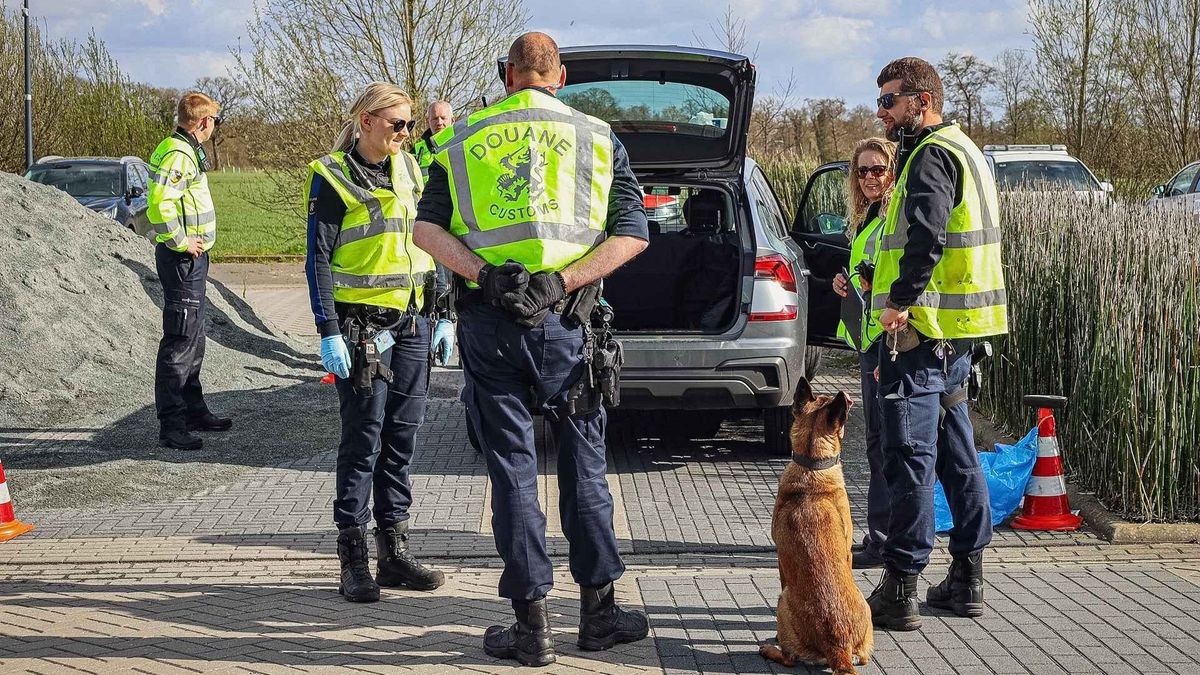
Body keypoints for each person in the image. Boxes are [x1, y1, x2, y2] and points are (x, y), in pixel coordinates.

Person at [413, 31, 650, 667]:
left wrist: (484, 275)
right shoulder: (599, 137)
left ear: (507, 74)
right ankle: (598, 613)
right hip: (569, 330)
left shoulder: (460, 139)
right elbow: (633, 236)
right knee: (585, 468)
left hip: (492, 329)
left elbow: (425, 229)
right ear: (561, 76)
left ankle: (532, 625)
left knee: (514, 474)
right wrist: (564, 280)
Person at [866, 57, 1008, 631]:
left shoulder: (929, 155)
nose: (882, 111)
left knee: (910, 458)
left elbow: (927, 234)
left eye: (890, 100)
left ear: (920, 101)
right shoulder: (969, 149)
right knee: (957, 453)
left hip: (921, 333)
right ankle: (967, 579)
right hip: (959, 335)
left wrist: (898, 302)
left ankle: (901, 586)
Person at [305, 82, 446, 603]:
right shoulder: (332, 176)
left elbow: (432, 239)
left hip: (412, 324)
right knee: (363, 442)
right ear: (366, 121)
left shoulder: (411, 169)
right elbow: (316, 259)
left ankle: (394, 551)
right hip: (360, 328)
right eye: (398, 124)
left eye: (411, 125)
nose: (407, 134)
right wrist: (327, 331)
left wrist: (444, 314)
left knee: (402, 439)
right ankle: (353, 557)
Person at [146, 92, 231, 451]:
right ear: (203, 122)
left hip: (192, 261)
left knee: (194, 336)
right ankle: (172, 424)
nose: (215, 127)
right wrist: (181, 241)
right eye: (215, 121)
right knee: (180, 339)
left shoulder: (181, 147)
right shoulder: (179, 153)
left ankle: (194, 409)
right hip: (182, 260)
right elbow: (159, 203)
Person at [831, 137, 896, 570]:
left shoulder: (893, 215)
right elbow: (865, 271)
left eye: (878, 169)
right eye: (862, 171)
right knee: (876, 444)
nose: (870, 178)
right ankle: (880, 537)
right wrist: (846, 281)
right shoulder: (868, 217)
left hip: (890, 343)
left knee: (888, 445)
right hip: (870, 340)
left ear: (893, 171)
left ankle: (885, 541)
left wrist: (876, 288)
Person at [412, 100, 453, 181]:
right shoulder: (416, 151)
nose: (439, 122)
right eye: (435, 118)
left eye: (443, 118)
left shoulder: (462, 145)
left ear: (453, 120)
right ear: (428, 122)